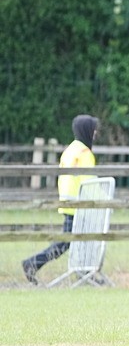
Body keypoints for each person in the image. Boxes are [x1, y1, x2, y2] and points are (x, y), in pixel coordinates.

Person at [23, 115, 99, 284]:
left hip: (67, 202)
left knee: (77, 241)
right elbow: (90, 182)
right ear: (87, 130)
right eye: (93, 129)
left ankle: (86, 274)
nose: (95, 133)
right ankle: (32, 263)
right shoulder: (85, 153)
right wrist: (101, 199)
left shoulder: (70, 150)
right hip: (80, 204)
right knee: (67, 243)